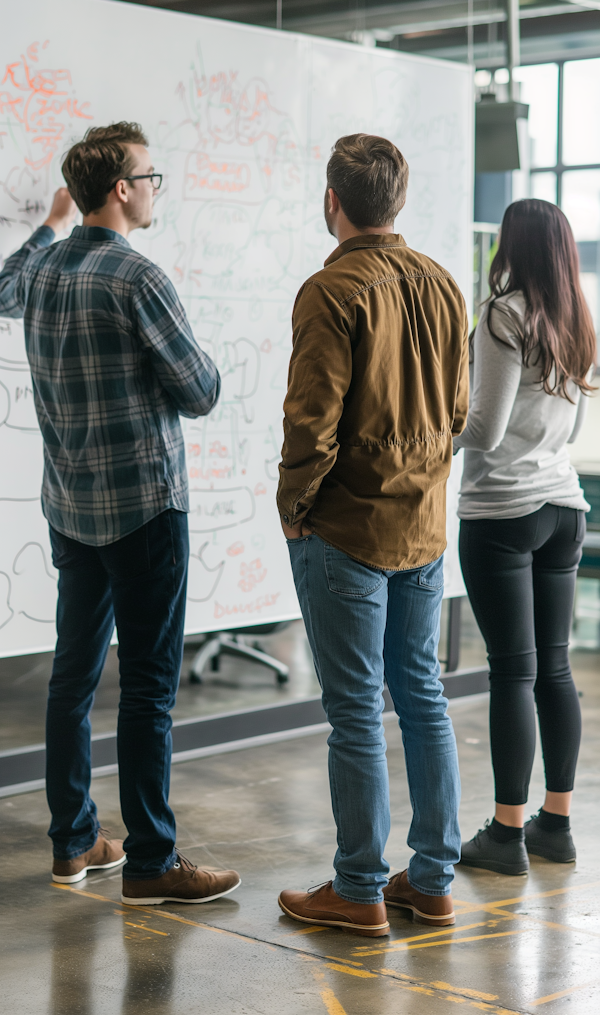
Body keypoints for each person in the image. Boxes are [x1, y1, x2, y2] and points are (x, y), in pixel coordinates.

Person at [0, 123, 240, 905]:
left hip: (71, 508)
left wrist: (51, 221)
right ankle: (150, 862)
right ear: (124, 190)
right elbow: (201, 391)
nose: (156, 187)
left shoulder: (41, 272)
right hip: (143, 509)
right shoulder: (139, 278)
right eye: (151, 175)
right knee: (145, 689)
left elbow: (3, 282)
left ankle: (74, 844)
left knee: (72, 678)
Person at [276, 133, 469, 936]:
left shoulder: (331, 289)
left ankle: (357, 890)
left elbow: (310, 419)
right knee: (422, 695)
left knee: (355, 710)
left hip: (347, 527)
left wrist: (293, 505)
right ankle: (430, 879)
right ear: (397, 200)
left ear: (332, 202)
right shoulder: (443, 283)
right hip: (422, 527)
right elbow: (458, 412)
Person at [455, 198, 595, 876]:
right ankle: (555, 824)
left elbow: (483, 428)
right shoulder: (577, 318)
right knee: (555, 668)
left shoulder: (503, 312)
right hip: (564, 506)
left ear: (510, 246)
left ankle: (506, 836)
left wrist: (430, 430)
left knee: (512, 670)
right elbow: (568, 431)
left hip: (504, 511)